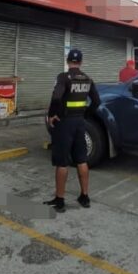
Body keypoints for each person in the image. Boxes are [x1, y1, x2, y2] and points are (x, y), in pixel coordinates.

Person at [43, 49, 101, 213]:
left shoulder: (63, 77)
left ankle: (60, 201)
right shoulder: (88, 79)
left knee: (62, 162)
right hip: (79, 123)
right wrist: (85, 115)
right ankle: (85, 196)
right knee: (81, 160)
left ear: (68, 61)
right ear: (81, 62)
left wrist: (51, 115)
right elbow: (96, 101)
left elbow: (56, 98)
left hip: (64, 124)